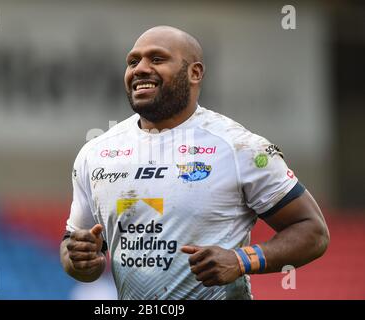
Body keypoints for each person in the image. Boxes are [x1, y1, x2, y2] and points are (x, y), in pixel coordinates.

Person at [60, 26, 330, 299]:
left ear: (195, 73)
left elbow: (312, 230)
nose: (140, 69)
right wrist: (80, 260)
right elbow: (75, 249)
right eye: (133, 61)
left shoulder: (240, 148)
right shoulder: (96, 153)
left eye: (156, 59)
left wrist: (242, 260)